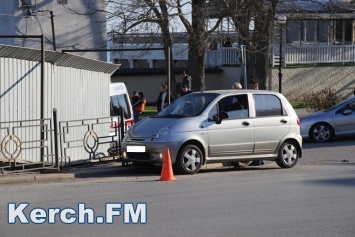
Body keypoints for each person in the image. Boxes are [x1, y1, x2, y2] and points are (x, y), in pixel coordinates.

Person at [248, 79, 264, 166]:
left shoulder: (259, 95)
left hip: (258, 120)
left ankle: (259, 160)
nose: (250, 88)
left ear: (256, 86)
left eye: (251, 86)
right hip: (256, 120)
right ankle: (259, 160)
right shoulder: (254, 95)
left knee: (258, 140)